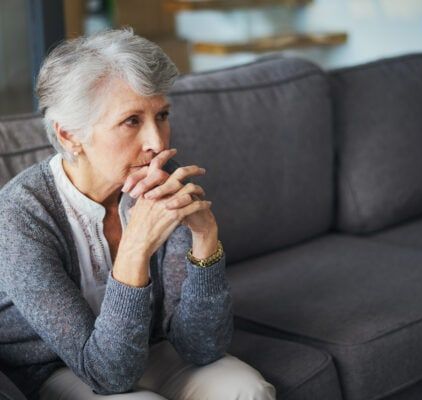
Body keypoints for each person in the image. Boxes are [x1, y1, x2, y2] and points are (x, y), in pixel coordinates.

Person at [0, 29, 276, 400]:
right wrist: (135, 249)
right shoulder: (18, 217)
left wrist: (205, 239)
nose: (158, 142)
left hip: (148, 346)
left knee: (246, 389)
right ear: (69, 136)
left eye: (161, 115)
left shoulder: (161, 179)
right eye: (132, 121)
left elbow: (203, 347)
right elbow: (108, 376)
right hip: (58, 368)